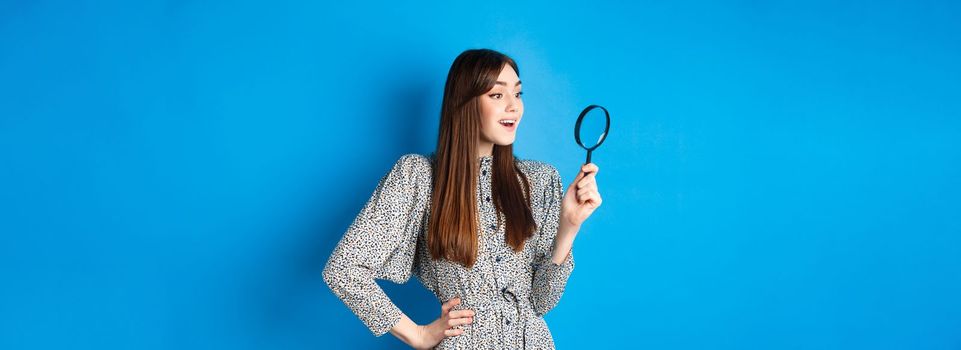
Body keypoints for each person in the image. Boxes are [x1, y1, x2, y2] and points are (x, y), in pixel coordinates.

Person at [323, 48, 602, 349]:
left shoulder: (540, 180)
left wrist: (569, 227)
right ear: (465, 103)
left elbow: (541, 302)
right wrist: (417, 334)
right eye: (497, 95)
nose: (513, 107)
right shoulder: (417, 176)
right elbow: (343, 270)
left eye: (518, 94)